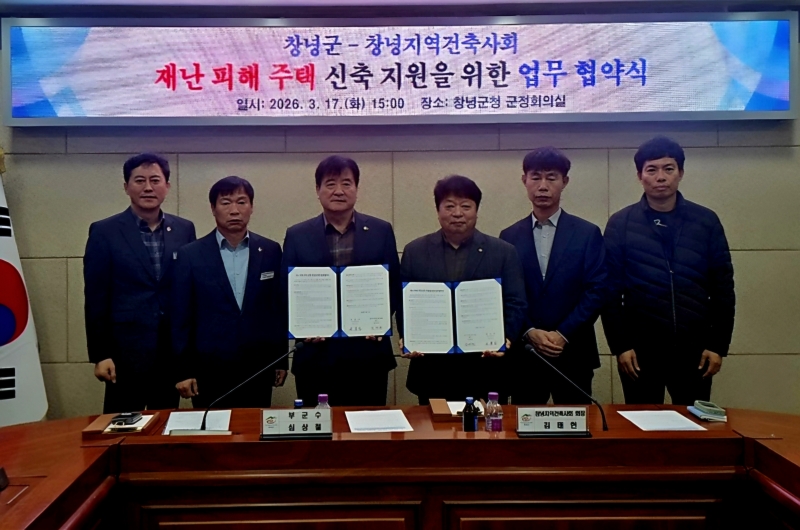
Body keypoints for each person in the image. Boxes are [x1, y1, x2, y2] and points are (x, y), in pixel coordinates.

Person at [602, 136, 735, 405]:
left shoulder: (706, 221)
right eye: (651, 169)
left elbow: (723, 289)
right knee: (641, 426)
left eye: (668, 168)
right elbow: (609, 292)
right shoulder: (620, 223)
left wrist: (718, 345)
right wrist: (621, 346)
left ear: (681, 173)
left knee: (693, 426)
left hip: (695, 350)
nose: (660, 177)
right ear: (640, 176)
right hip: (639, 352)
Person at [281, 156, 401, 406]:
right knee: (318, 427)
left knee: (369, 427)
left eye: (346, 183)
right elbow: (287, 290)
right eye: (330, 184)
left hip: (368, 354)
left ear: (356, 188)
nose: (339, 191)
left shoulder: (381, 230)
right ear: (318, 190)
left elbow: (392, 286)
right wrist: (301, 327)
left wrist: (379, 321)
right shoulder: (297, 234)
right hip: (315, 356)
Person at [400, 175, 527, 404]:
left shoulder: (503, 252)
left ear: (476, 211)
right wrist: (407, 336)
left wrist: (506, 337)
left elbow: (516, 301)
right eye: (449, 206)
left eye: (466, 206)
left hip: (486, 367)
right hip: (433, 369)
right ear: (438, 210)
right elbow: (404, 303)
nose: (457, 213)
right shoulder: (415, 251)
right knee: (434, 426)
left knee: (488, 426)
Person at [84, 153, 196, 413]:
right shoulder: (104, 231)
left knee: (165, 425)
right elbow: (96, 297)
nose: (148, 187)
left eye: (155, 180)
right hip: (124, 354)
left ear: (167, 186)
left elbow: (189, 293)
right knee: (122, 427)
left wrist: (187, 358)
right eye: (139, 180)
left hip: (170, 353)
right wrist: (101, 354)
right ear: (126, 187)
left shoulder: (184, 229)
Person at [499, 147, 607, 405]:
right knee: (523, 426)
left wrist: (563, 333)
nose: (543, 186)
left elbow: (597, 290)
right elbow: (505, 294)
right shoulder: (508, 237)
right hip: (526, 354)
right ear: (524, 180)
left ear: (564, 181)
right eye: (535, 177)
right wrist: (529, 331)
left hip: (573, 351)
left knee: (576, 425)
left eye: (551, 177)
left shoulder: (587, 233)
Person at [172, 176, 287, 408]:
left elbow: (277, 309)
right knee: (213, 430)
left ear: (251, 207)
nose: (234, 210)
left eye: (241, 202)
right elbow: (181, 316)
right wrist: (184, 370)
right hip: (208, 367)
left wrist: (280, 359)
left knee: (255, 428)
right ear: (213, 208)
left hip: (258, 366)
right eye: (225, 202)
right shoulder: (190, 255)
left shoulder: (271, 250)